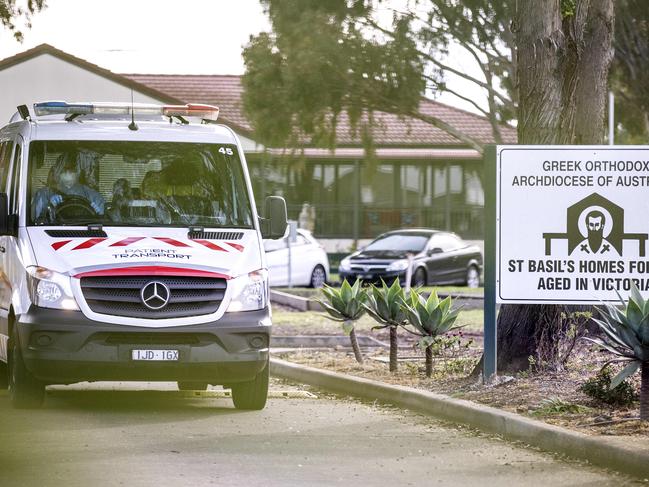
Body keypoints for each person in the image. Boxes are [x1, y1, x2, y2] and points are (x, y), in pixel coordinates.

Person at [32, 152, 105, 221]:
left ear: (79, 173)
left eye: (72, 171)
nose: (68, 175)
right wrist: (48, 208)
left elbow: (103, 225)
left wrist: (98, 214)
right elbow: (36, 223)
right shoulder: (43, 195)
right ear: (57, 171)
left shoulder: (94, 197)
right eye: (64, 171)